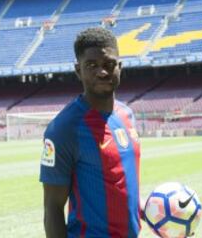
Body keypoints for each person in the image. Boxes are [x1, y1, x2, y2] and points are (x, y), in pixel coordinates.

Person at [40, 27, 143, 238]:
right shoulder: (63, 129)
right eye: (91, 65)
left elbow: (123, 187)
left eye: (109, 64)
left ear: (120, 67)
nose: (102, 72)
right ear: (78, 70)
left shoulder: (127, 115)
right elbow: (53, 208)